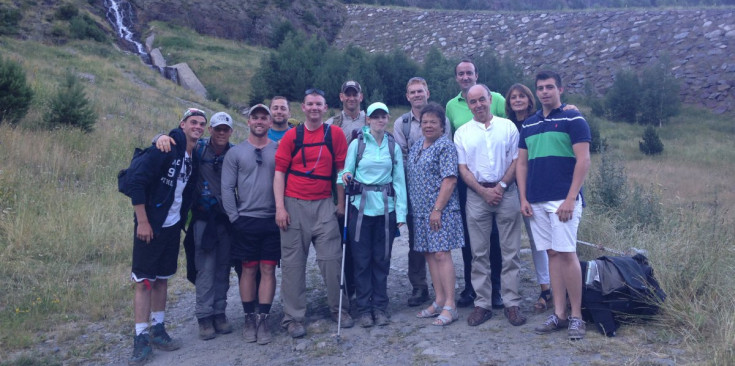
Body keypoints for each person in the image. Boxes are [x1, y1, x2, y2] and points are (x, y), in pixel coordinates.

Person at [126, 108, 204, 365]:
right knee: (144, 281)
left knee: (161, 279)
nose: (198, 127)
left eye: (202, 124)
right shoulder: (167, 147)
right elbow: (136, 181)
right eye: (193, 122)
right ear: (182, 124)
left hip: (172, 226)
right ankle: (140, 336)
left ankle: (158, 329)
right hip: (151, 225)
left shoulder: (194, 154)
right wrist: (143, 221)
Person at [517, 70, 591, 340]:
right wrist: (524, 198)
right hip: (535, 200)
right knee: (552, 255)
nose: (545, 91)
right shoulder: (529, 124)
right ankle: (558, 314)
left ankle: (576, 316)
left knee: (567, 254)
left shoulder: (574, 118)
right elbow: (522, 164)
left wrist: (571, 198)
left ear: (560, 88)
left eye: (550, 87)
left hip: (563, 199)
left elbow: (583, 161)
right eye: (540, 88)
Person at [274, 88, 352, 338]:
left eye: (319, 104)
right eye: (310, 104)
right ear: (303, 108)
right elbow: (279, 173)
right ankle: (293, 318)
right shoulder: (291, 136)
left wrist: (340, 204)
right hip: (293, 204)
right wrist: (280, 208)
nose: (315, 108)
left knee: (332, 260)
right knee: (293, 264)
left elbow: (341, 171)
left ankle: (339, 309)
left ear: (325, 107)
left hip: (324, 204)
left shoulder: (336, 134)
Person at [154, 112, 235, 340]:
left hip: (225, 221)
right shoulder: (198, 149)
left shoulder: (235, 152)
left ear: (230, 132)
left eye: (225, 129)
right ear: (211, 130)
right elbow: (172, 141)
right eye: (217, 128)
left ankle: (220, 313)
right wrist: (159, 136)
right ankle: (204, 317)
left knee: (223, 268)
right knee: (205, 269)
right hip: (202, 219)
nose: (221, 133)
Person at [454, 84, 525, 327]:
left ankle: (511, 303)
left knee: (510, 251)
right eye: (472, 102)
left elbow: (517, 160)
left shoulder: (508, 127)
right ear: (468, 104)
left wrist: (502, 187)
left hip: (507, 191)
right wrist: (483, 191)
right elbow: (463, 169)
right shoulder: (462, 132)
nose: (478, 105)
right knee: (479, 253)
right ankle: (482, 304)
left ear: (490, 99)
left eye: (481, 99)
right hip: (477, 195)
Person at [338, 102, 407, 328]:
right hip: (360, 209)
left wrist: (401, 213)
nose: (379, 120)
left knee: (382, 259)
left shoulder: (391, 146)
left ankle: (380, 306)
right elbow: (345, 172)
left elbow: (399, 181)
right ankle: (364, 309)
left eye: (383, 116)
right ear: (368, 119)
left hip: (385, 209)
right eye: (375, 116)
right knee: (362, 260)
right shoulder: (357, 145)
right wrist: (347, 175)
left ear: (387, 119)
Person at [444, 59, 504, 309]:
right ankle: (472, 287)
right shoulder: (451, 105)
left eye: (469, 72)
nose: (465, 76)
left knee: (496, 238)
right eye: (461, 74)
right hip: (467, 182)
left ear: (476, 74)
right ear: (457, 78)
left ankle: (497, 289)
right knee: (470, 238)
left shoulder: (497, 99)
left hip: (498, 181)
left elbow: (508, 132)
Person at [222, 104, 280, 345]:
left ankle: (264, 318)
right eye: (254, 117)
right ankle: (249, 317)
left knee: (268, 269)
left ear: (269, 122)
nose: (259, 121)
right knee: (248, 269)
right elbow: (226, 187)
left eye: (263, 118)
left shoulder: (278, 150)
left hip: (271, 220)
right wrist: (234, 217)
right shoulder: (235, 153)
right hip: (245, 220)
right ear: (248, 122)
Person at [393, 77, 452, 307]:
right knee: (417, 244)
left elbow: (445, 151)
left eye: (420, 91)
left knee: (439, 248)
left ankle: (446, 296)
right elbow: (402, 156)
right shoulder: (402, 123)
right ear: (407, 96)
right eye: (412, 92)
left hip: (438, 192)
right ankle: (420, 286)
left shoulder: (442, 118)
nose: (417, 95)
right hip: (412, 191)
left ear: (427, 92)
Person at [408, 102, 464, 326]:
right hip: (420, 212)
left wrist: (437, 210)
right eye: (425, 122)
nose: (428, 125)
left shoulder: (445, 146)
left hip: (441, 211)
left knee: (441, 254)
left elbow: (450, 179)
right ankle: (439, 300)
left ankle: (451, 304)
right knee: (430, 254)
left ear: (442, 125)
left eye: (433, 122)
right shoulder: (416, 146)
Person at [505, 84, 552, 313]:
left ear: (529, 99)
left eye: (521, 95)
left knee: (540, 243)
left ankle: (547, 290)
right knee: (509, 244)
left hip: (534, 188)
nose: (517, 100)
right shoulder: (504, 126)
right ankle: (506, 292)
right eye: (513, 97)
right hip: (508, 191)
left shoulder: (537, 121)